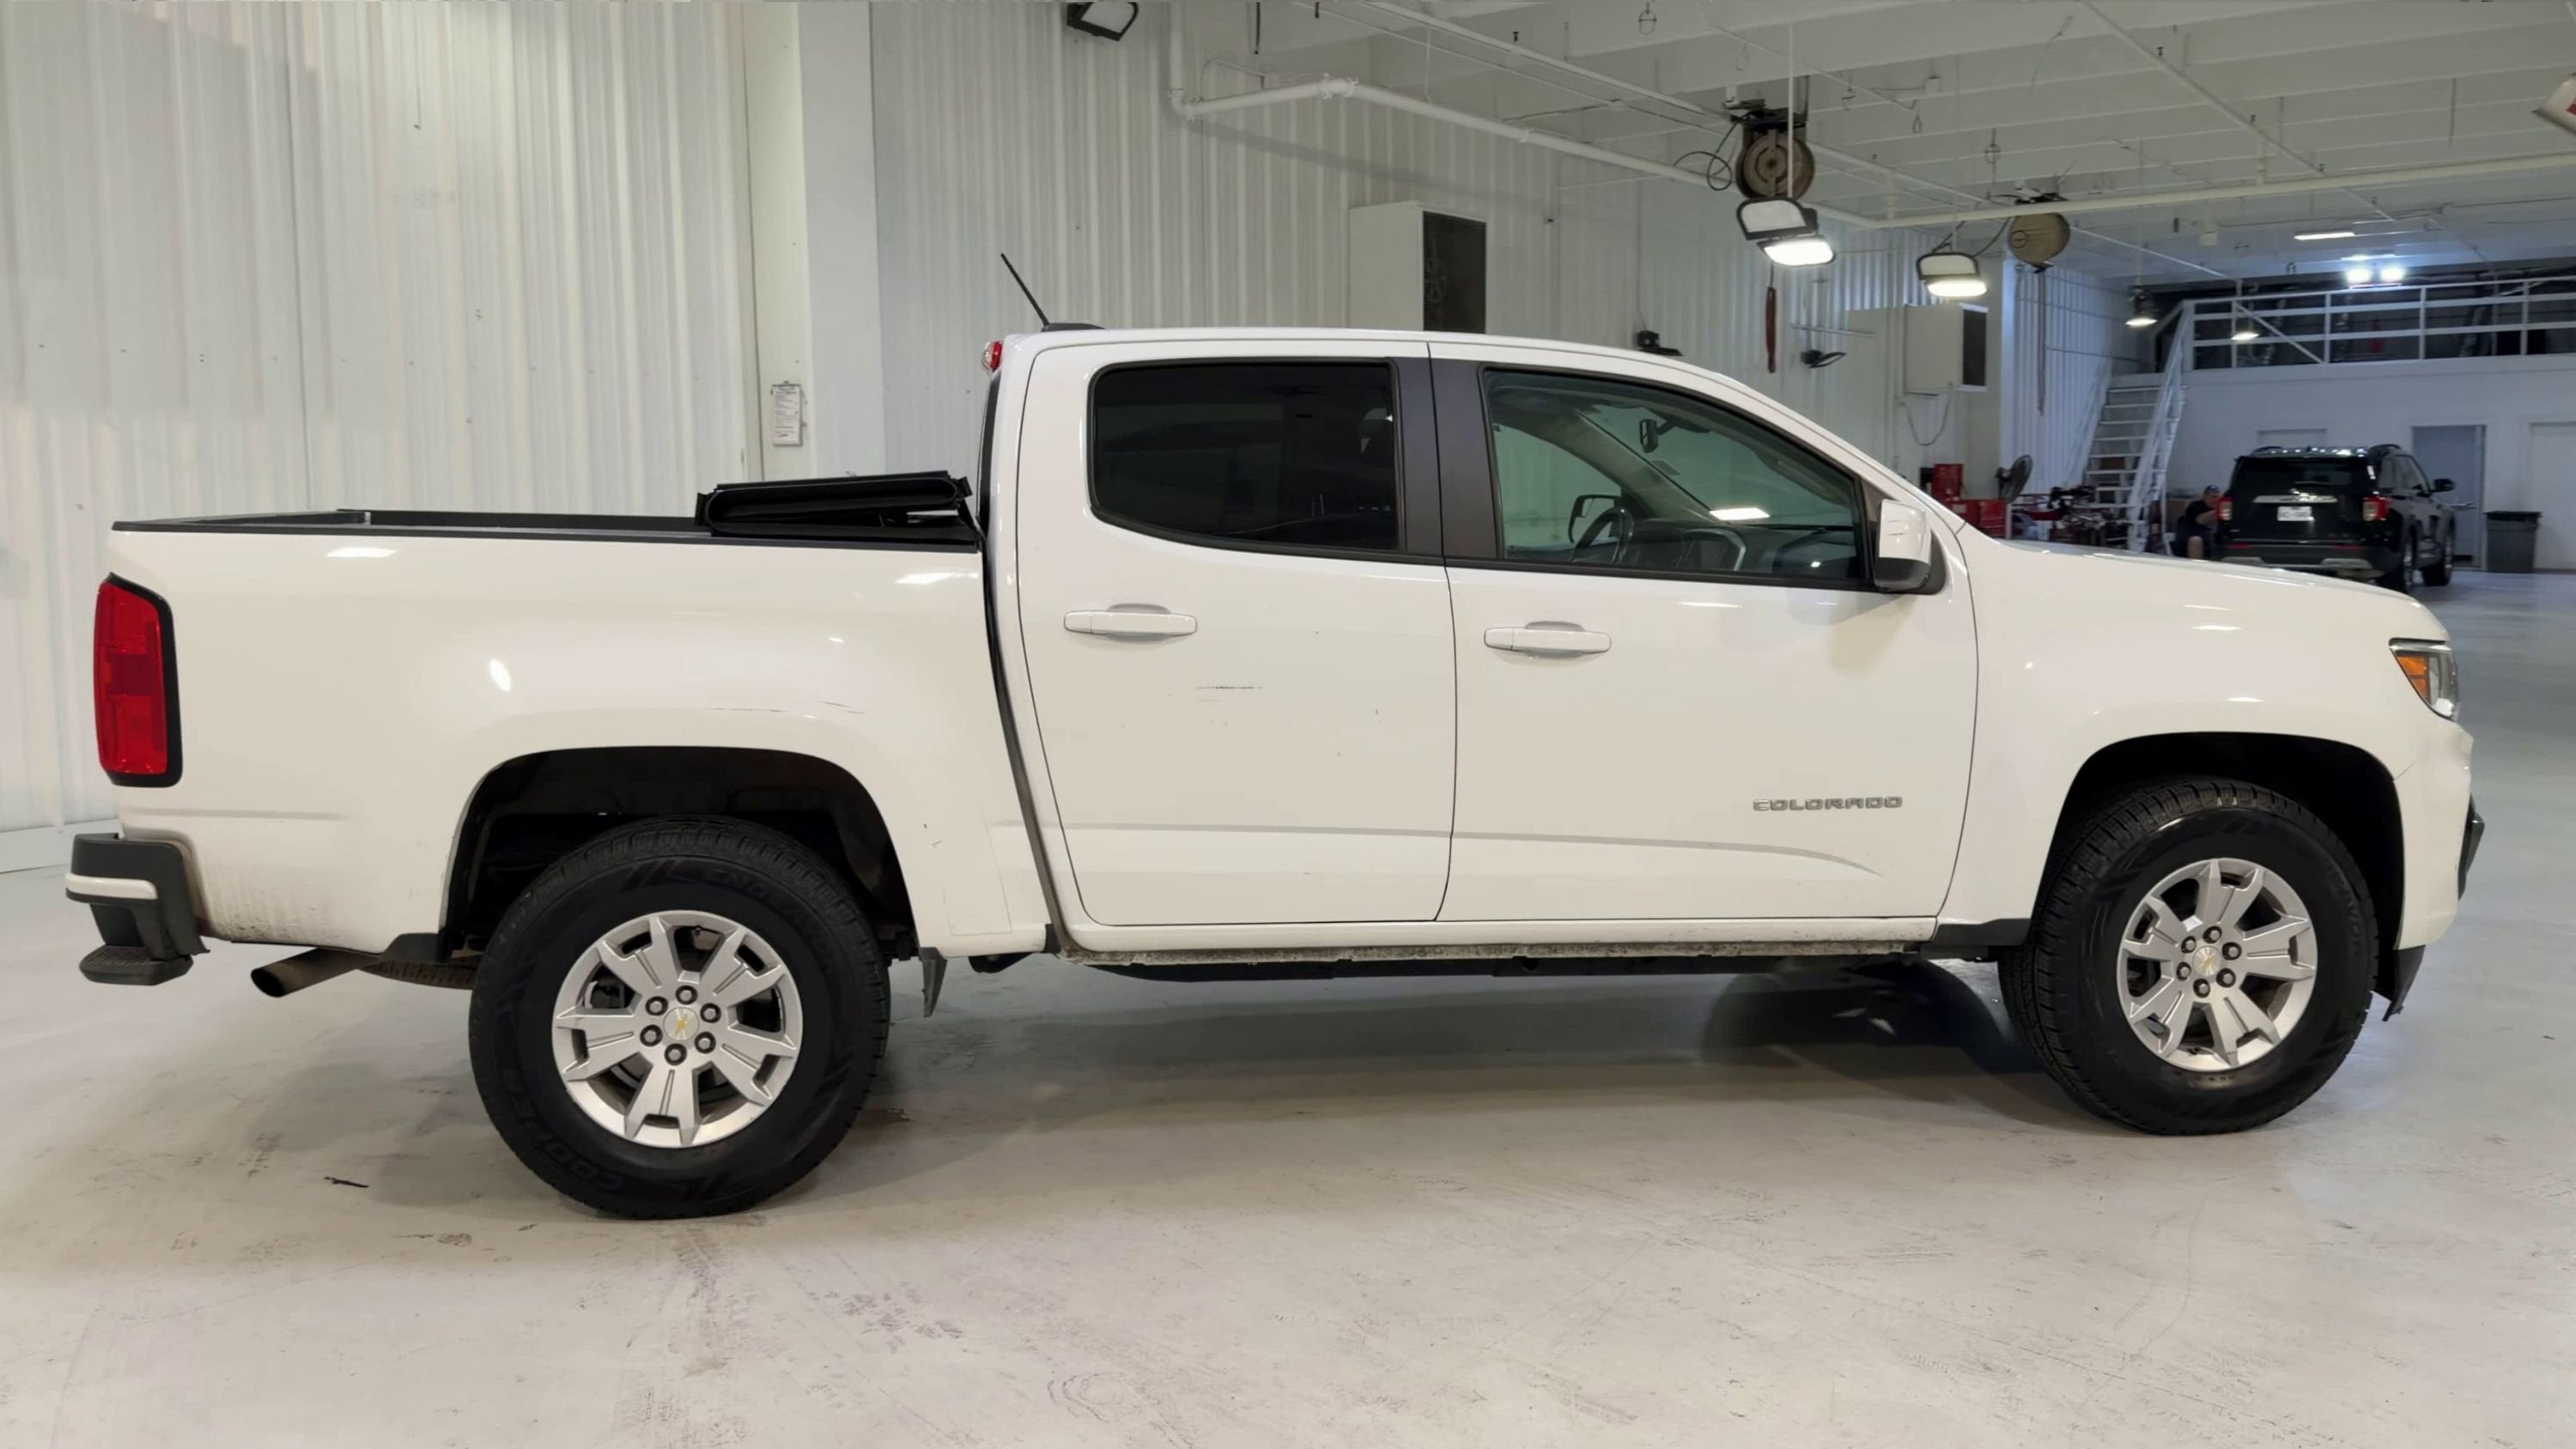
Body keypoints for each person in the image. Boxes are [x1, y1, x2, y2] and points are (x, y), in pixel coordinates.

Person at [2173, 485, 2226, 559]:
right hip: (2190, 543)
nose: (2216, 500)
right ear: (2205, 496)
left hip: (2213, 543)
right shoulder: (2195, 506)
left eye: (2217, 497)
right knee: (2195, 540)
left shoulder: (2220, 510)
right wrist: (2220, 511)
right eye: (2213, 497)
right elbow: (2201, 520)